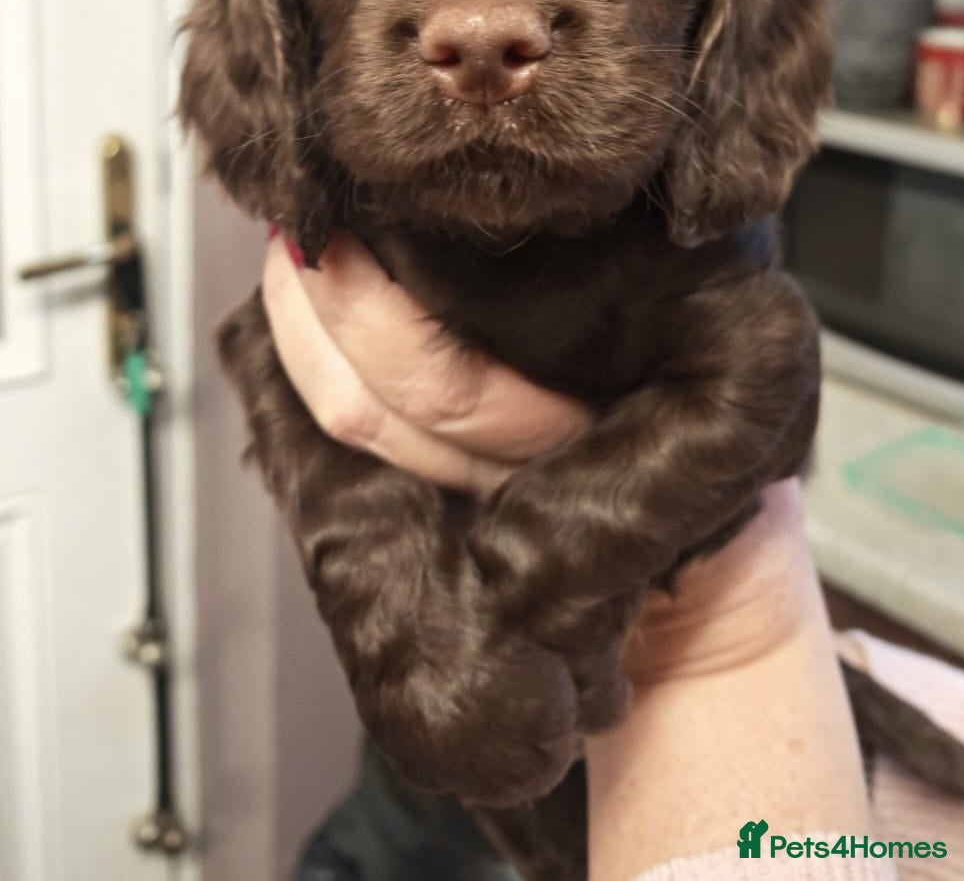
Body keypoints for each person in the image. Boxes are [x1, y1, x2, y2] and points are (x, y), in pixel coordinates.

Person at [263, 231, 895, 880]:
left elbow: (766, 369)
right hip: (416, 812)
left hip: (627, 781)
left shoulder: (697, 277)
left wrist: (556, 585)